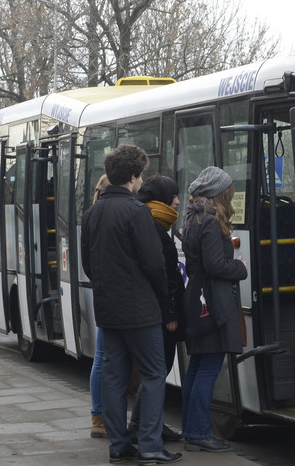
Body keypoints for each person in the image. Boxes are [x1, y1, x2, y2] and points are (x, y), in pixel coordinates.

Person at [80, 146, 182, 465]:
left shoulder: (92, 213)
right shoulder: (137, 212)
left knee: (113, 376)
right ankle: (150, 443)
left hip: (108, 310)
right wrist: (165, 306)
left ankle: (119, 446)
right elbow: (154, 265)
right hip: (141, 310)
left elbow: (87, 264)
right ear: (135, 177)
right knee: (153, 374)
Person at [179, 166, 248, 453]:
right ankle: (198, 432)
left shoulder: (194, 217)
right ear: (220, 193)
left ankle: (192, 429)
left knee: (197, 367)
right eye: (228, 190)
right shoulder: (209, 221)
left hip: (198, 298)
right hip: (212, 302)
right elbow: (214, 265)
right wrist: (239, 267)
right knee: (207, 368)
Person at [128, 175, 185, 442]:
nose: (177, 200)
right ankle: (143, 427)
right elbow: (162, 275)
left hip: (157, 311)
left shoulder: (154, 223)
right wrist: (170, 313)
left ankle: (145, 425)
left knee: (156, 372)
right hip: (161, 315)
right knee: (157, 371)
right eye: (172, 196)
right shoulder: (151, 226)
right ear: (160, 198)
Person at [88, 175, 110, 439]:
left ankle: (98, 416)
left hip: (102, 295)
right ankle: (102, 418)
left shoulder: (92, 216)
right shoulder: (120, 215)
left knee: (101, 357)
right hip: (118, 299)